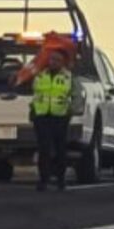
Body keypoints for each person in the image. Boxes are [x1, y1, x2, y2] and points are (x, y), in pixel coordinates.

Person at [27, 48, 74, 192]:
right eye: (52, 59)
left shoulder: (68, 77)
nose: (53, 62)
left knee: (60, 149)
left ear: (63, 62)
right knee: (44, 149)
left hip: (60, 117)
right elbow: (25, 84)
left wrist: (70, 112)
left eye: (57, 60)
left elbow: (76, 95)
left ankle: (60, 179)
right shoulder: (40, 74)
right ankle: (43, 180)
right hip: (41, 116)